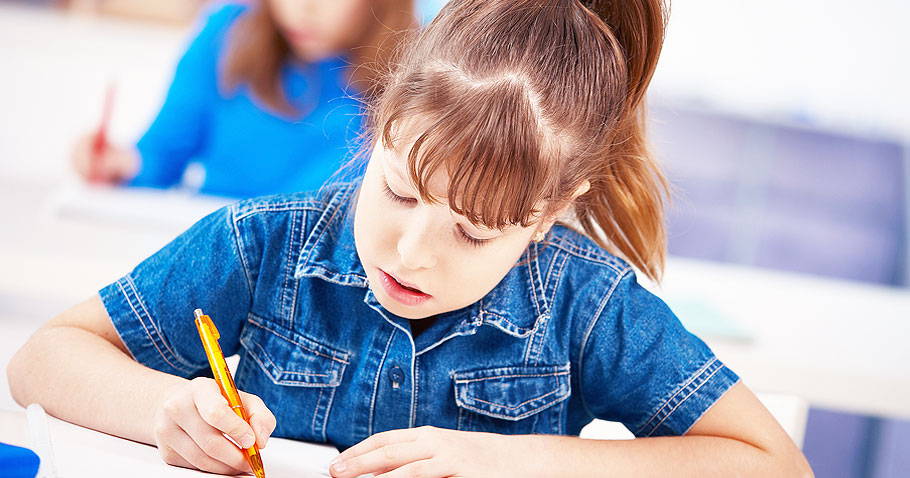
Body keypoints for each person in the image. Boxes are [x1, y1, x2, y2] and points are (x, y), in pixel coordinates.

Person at [9, 0, 814, 476]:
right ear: (380, 124)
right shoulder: (264, 245)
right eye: (398, 191)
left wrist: (503, 461)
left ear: (548, 212)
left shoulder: (584, 303)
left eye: (472, 233)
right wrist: (161, 409)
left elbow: (773, 464)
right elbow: (39, 360)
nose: (410, 252)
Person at [71, 0, 415, 198]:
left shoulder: (418, 72)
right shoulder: (226, 34)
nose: (302, 8)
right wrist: (119, 165)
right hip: (216, 262)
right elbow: (160, 157)